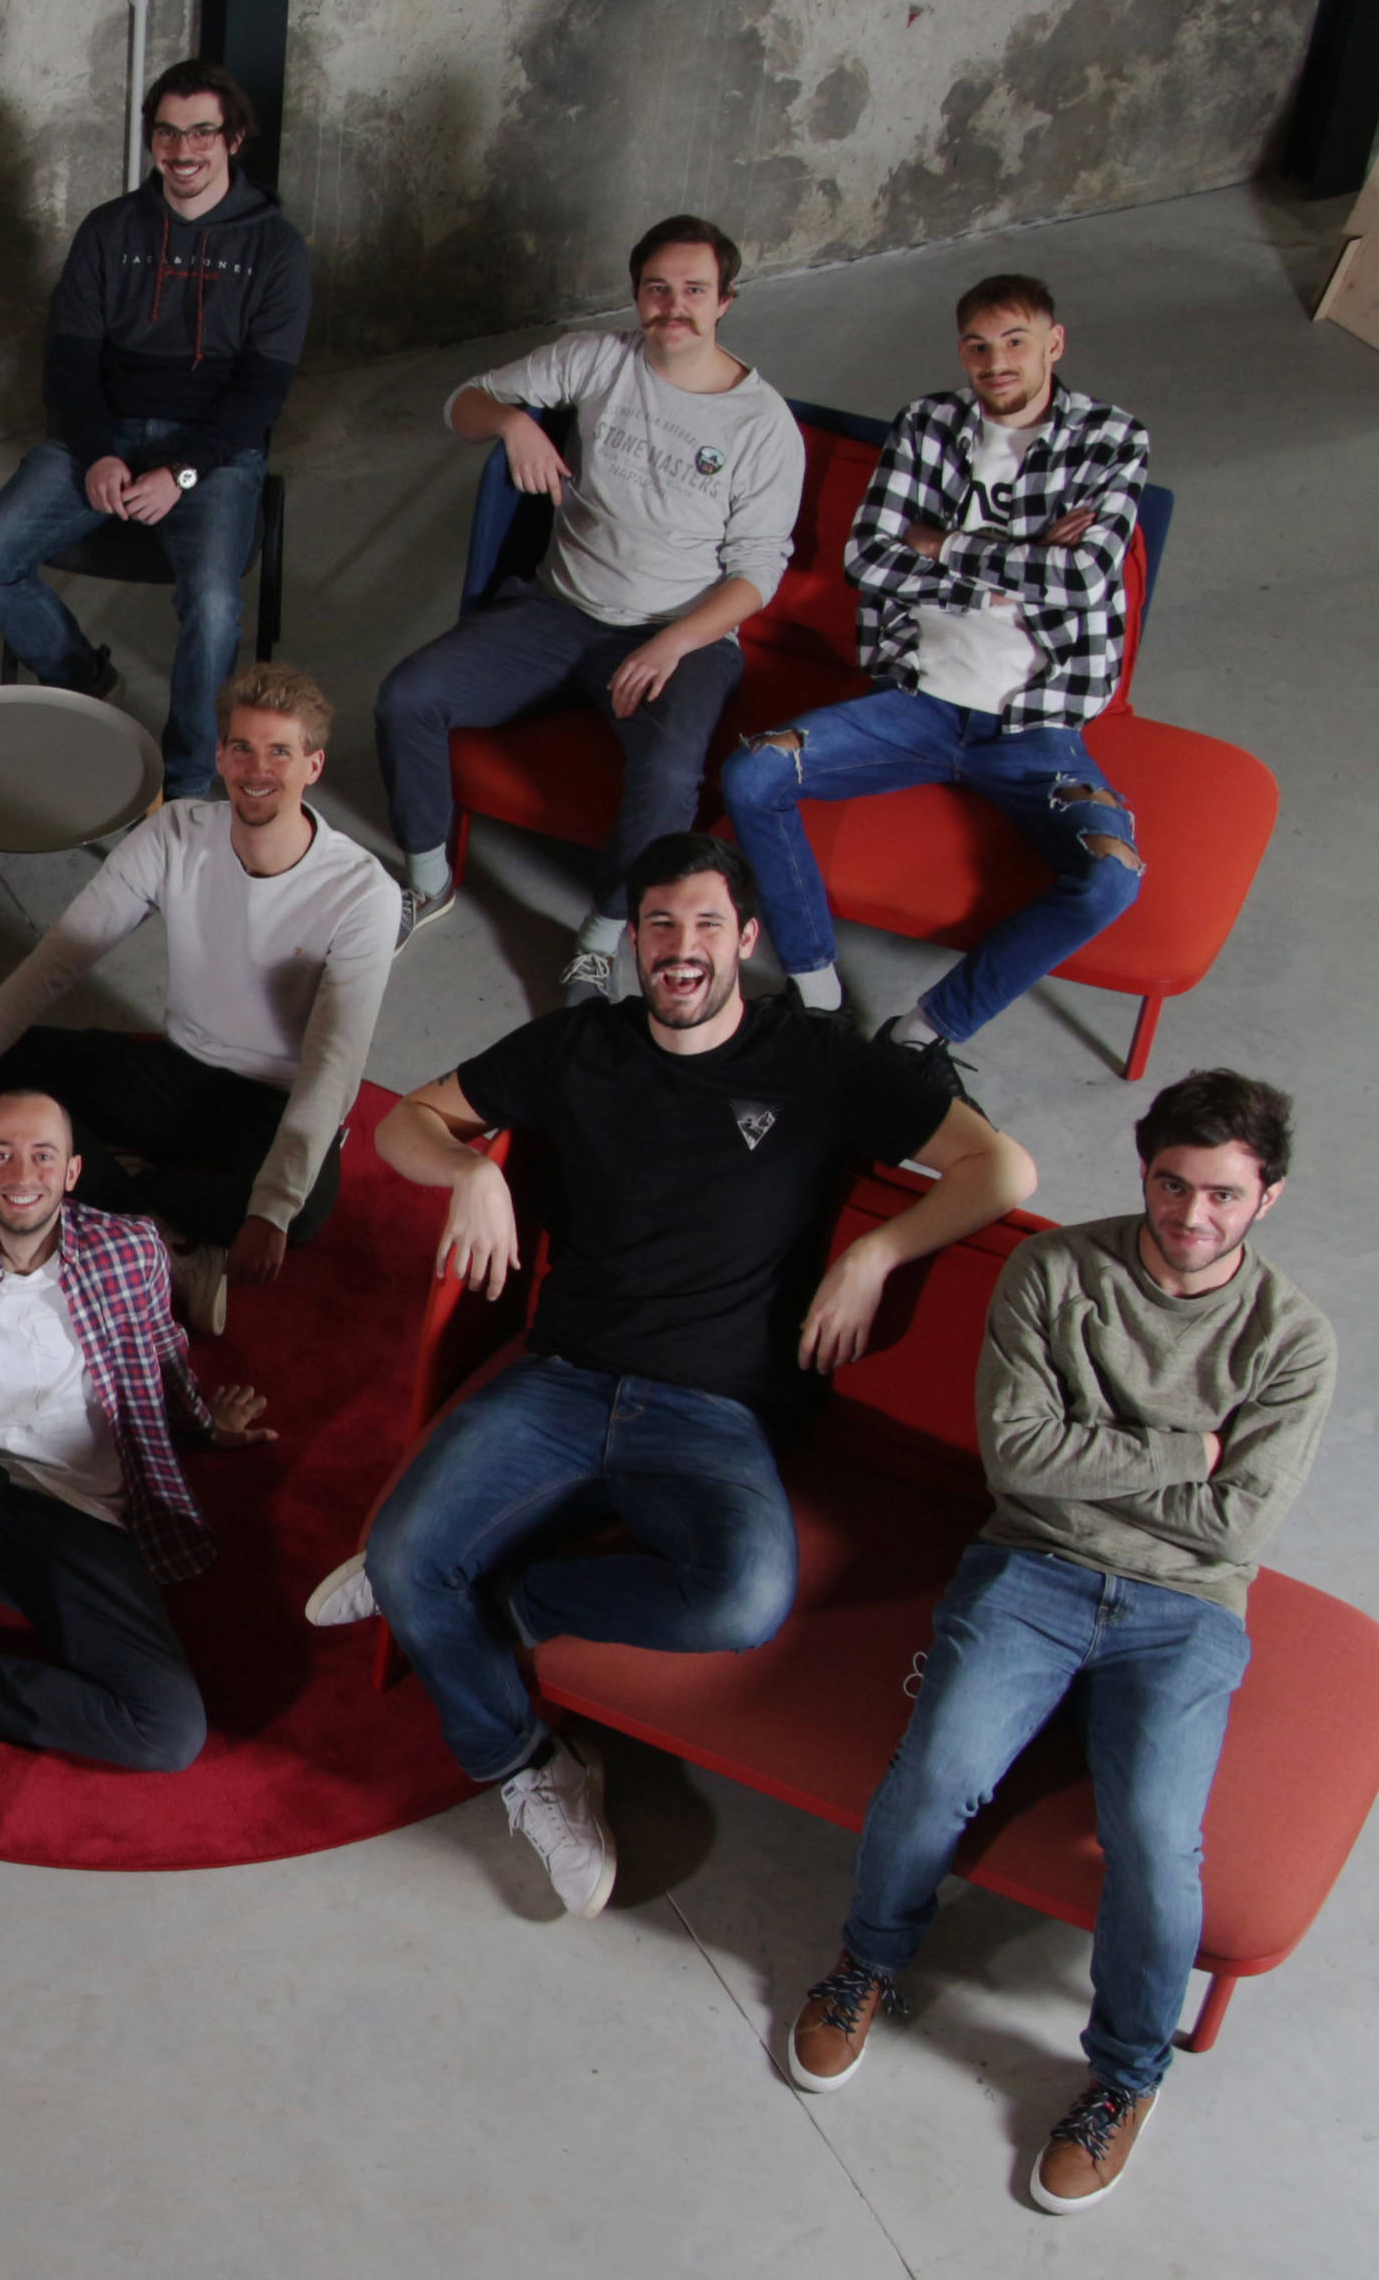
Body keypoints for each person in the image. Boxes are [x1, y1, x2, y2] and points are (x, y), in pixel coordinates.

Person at [309, 834, 1033, 1913]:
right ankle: (524, 1766)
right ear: (634, 941)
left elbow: (1002, 1168)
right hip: (559, 1377)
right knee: (407, 1552)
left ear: (746, 938)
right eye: (659, 926)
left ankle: (494, 1594)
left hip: (714, 1414)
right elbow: (409, 1123)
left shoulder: (819, 1061)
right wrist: (470, 1170)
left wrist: (877, 1254)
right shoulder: (579, 1045)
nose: (680, 949)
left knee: (740, 1598)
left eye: (705, 925)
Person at [782, 1072, 1330, 2216]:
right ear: (1145, 1173)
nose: (1190, 1218)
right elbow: (1020, 1465)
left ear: (1267, 1198)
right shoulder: (1054, 1275)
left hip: (1187, 1612)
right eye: (1172, 1185)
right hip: (1032, 1566)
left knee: (1154, 1840)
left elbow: (1240, 1528)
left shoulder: (1293, 1344)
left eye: (1223, 1197)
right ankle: (868, 1962)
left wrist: (1099, 1461)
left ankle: (1128, 2075)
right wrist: (1194, 1451)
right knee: (936, 1775)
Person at [0, 1088, 278, 1885]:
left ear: (71, 1172)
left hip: (82, 1517)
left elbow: (163, 1354)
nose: (19, 1172)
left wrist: (203, 1425)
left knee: (168, 1731)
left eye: (40, 1156)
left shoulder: (131, 1249)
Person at [374, 218, 808, 1001]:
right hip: (559, 608)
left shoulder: (762, 424)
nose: (673, 306)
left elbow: (756, 574)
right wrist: (512, 422)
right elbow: (460, 404)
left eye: (694, 291)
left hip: (679, 632)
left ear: (726, 302)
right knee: (409, 695)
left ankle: (607, 934)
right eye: (657, 288)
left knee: (671, 771)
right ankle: (427, 880)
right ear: (636, 294)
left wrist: (672, 642)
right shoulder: (596, 358)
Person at [719, 275, 1155, 1052]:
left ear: (1053, 344)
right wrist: (1022, 563)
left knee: (1113, 874)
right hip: (916, 701)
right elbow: (868, 559)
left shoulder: (1112, 437)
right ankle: (815, 991)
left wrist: (945, 544)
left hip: (1036, 726)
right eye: (979, 346)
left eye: (1016, 341)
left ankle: (922, 1035)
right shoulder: (927, 423)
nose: (997, 362)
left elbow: (1085, 577)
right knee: (754, 774)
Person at [0, 663, 397, 1333]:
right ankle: (171, 1241)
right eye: (242, 748)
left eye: (280, 751)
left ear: (312, 766)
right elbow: (58, 960)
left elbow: (334, 1065)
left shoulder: (363, 894)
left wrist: (270, 1208)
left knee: (303, 1213)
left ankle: (115, 1201)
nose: (258, 769)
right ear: (220, 754)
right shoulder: (175, 835)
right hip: (178, 1072)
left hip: (273, 1103)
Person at [0, 57, 312, 800]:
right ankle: (81, 675)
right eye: (167, 134)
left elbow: (261, 393)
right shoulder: (109, 230)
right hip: (106, 432)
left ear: (234, 139)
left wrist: (181, 472)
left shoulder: (275, 249)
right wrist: (97, 453)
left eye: (202, 133)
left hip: (214, 454)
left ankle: (184, 785)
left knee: (213, 606)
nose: (183, 152)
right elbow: (70, 362)